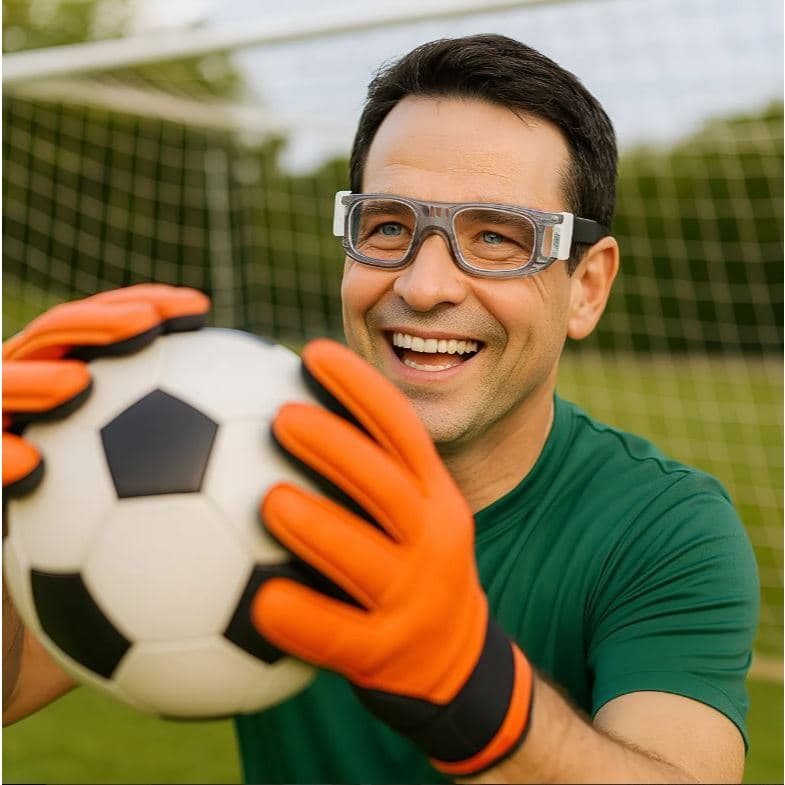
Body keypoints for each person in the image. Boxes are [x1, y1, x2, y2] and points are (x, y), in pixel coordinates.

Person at [3, 34, 759, 784]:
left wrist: (476, 696)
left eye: (497, 237)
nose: (425, 285)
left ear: (586, 287)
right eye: (389, 226)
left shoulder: (663, 526)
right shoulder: (240, 459)